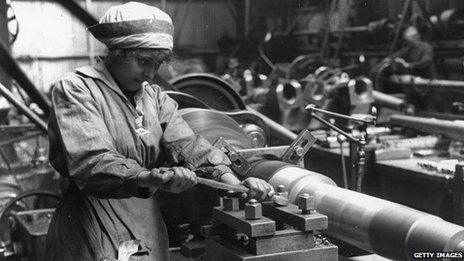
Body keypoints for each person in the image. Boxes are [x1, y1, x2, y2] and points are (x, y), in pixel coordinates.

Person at [44, 2, 275, 261]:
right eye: (143, 61)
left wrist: (235, 183)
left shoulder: (154, 98)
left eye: (158, 63)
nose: (150, 73)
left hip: (146, 222)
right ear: (116, 52)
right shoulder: (77, 89)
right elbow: (91, 161)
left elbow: (190, 147)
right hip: (92, 221)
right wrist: (149, 177)